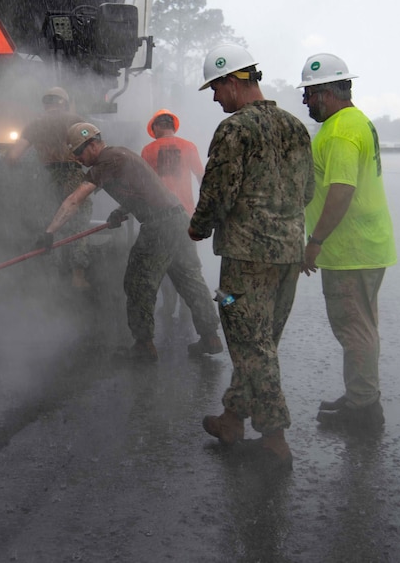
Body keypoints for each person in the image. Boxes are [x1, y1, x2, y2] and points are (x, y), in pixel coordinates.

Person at [189, 44, 314, 470]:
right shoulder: (295, 127)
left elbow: (219, 190)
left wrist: (198, 225)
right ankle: (231, 418)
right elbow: (308, 190)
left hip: (246, 258)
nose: (214, 98)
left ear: (233, 80)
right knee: (261, 341)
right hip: (288, 255)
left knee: (250, 344)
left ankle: (275, 437)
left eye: (215, 88)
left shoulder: (234, 130)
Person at [38, 122, 223, 362]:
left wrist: (49, 232)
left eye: (79, 152)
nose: (77, 159)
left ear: (93, 144)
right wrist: (121, 210)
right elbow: (145, 189)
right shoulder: (121, 154)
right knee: (190, 280)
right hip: (178, 221)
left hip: (159, 227)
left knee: (138, 283)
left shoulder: (106, 161)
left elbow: (75, 200)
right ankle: (210, 337)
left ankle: (143, 345)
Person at [299, 52, 396, 433]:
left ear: (326, 92)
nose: (306, 102)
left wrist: (315, 241)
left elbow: (341, 190)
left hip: (350, 249)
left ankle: (364, 410)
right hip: (366, 245)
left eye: (309, 94)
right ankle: (361, 395)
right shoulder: (355, 122)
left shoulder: (340, 130)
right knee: (363, 326)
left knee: (354, 328)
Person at [6, 87, 92, 289]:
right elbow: (92, 148)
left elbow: (12, 157)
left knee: (49, 225)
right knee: (78, 225)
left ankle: (51, 278)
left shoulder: (35, 125)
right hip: (73, 176)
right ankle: (77, 276)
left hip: (46, 178)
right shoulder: (77, 120)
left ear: (45, 104)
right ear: (65, 102)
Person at [141, 108, 205, 321]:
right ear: (172, 126)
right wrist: (205, 207)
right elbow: (201, 177)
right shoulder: (188, 147)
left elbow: (143, 184)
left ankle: (168, 306)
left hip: (159, 217)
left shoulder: (148, 150)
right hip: (185, 215)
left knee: (164, 262)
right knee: (188, 263)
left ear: (158, 126)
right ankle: (190, 307)